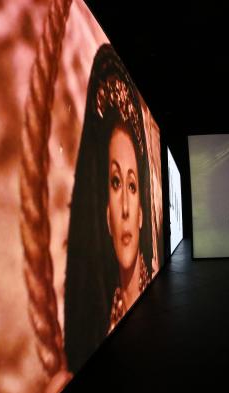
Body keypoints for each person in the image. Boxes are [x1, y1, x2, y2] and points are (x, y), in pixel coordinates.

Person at [63, 44, 153, 374]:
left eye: (132, 186)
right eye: (115, 183)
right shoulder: (100, 327)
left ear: (142, 213)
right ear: (105, 214)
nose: (125, 207)